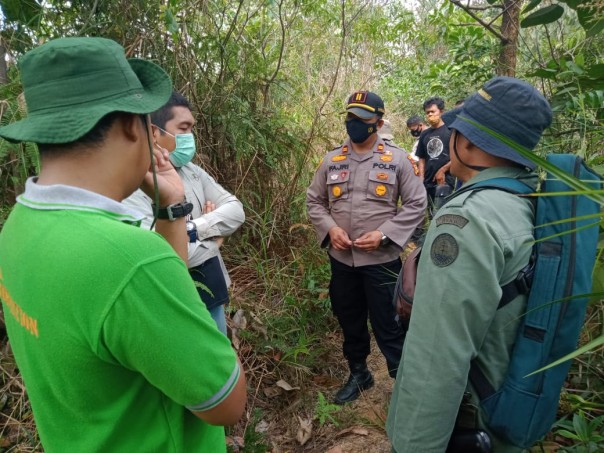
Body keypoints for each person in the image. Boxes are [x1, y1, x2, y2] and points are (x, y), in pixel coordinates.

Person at [0, 37, 246, 452]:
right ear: (135, 126)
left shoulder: (19, 226)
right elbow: (226, 404)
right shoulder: (131, 260)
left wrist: (171, 210)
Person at [387, 77, 553, 452]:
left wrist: (411, 446)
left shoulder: (468, 220)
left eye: (457, 129)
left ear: (471, 143)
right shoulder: (526, 200)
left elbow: (437, 355)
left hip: (470, 425)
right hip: (508, 409)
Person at [306, 90, 427, 404]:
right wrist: (330, 229)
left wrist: (385, 234)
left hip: (382, 260)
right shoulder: (332, 159)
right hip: (342, 261)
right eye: (350, 117)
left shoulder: (398, 159)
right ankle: (359, 372)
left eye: (361, 119)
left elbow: (416, 204)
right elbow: (314, 201)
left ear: (379, 122)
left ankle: (404, 382)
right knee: (350, 318)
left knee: (390, 322)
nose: (353, 123)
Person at [123, 91, 245, 335]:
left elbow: (236, 211)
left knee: (219, 358)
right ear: (154, 132)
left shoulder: (192, 171)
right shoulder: (134, 185)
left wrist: (193, 229)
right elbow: (163, 255)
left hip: (211, 288)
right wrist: (214, 238)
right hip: (171, 301)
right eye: (184, 128)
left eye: (192, 128)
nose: (191, 136)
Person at [416, 97, 456, 207]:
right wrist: (421, 178)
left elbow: (458, 155)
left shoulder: (451, 130)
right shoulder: (425, 134)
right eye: (427, 112)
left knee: (441, 213)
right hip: (428, 182)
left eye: (433, 112)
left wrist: (443, 170)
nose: (430, 115)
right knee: (430, 213)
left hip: (446, 181)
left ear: (441, 112)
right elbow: (422, 158)